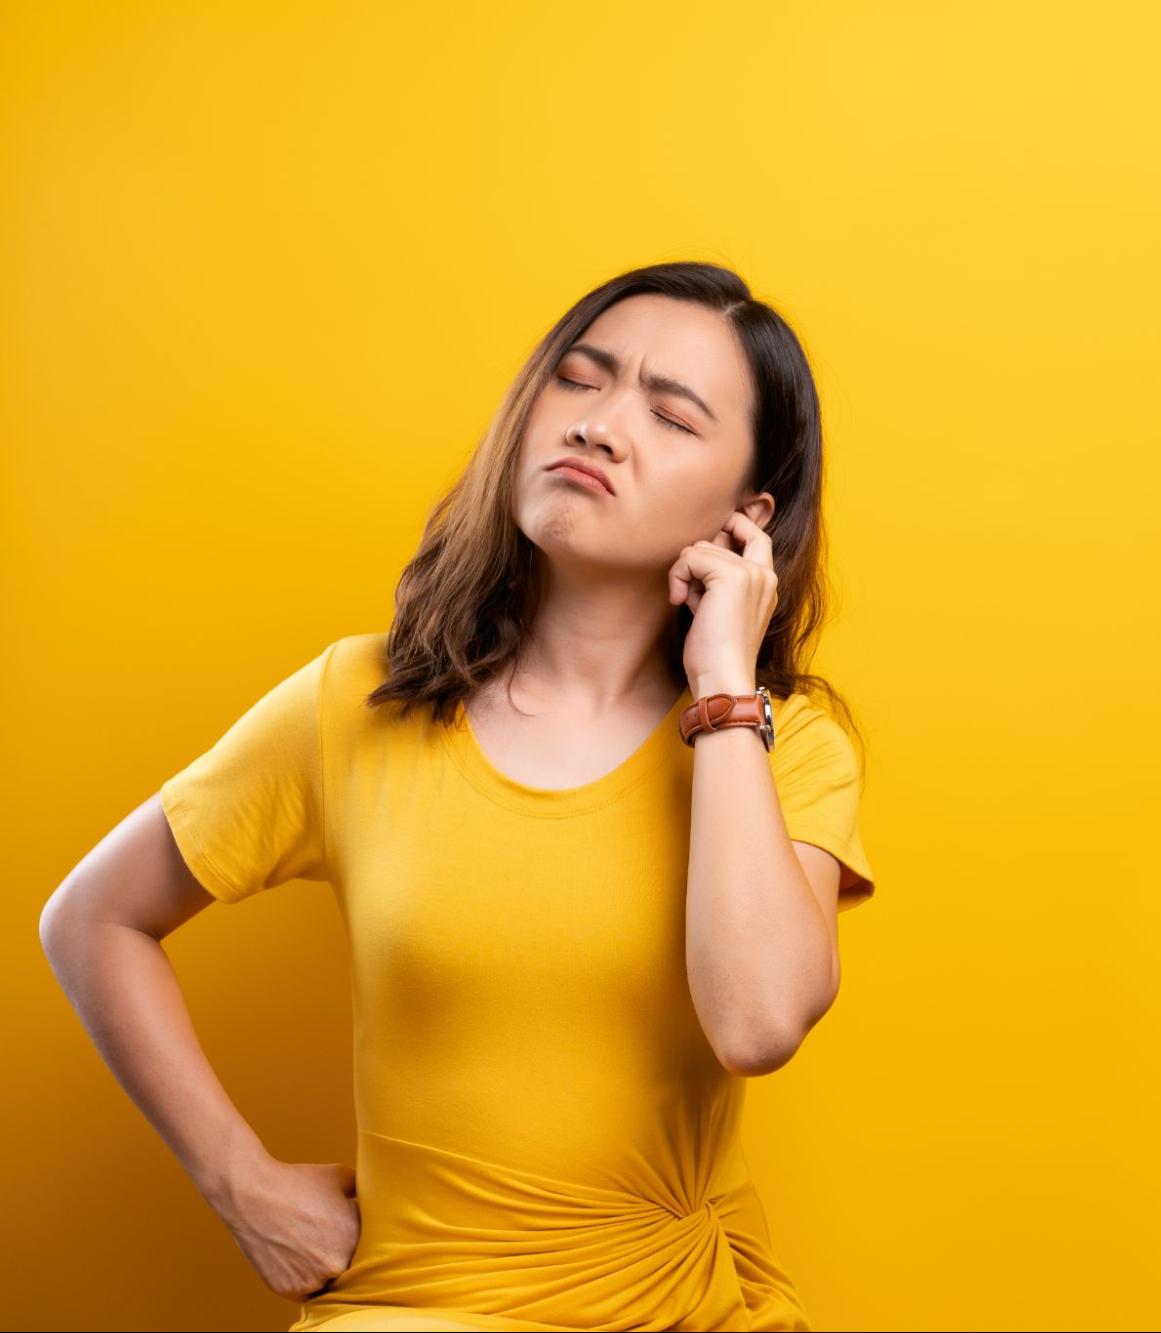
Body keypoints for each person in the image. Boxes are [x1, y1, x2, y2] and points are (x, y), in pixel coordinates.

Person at [38, 261, 879, 1331]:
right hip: (417, 1310)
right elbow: (91, 918)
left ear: (745, 517)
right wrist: (241, 1184)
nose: (601, 425)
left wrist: (724, 686)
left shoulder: (783, 747)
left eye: (670, 414)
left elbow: (757, 1021)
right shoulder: (358, 701)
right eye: (579, 379)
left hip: (688, 1308)